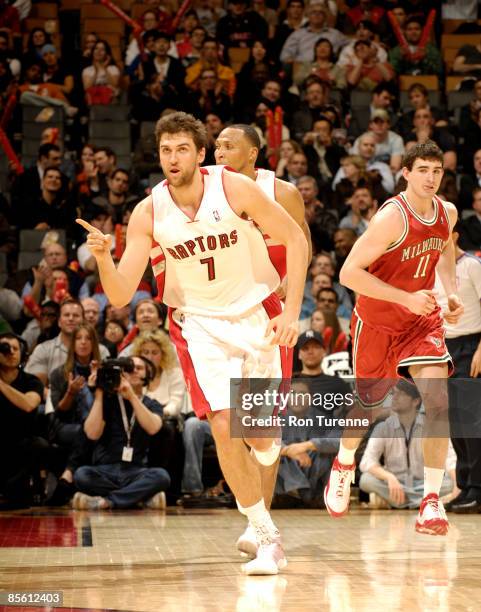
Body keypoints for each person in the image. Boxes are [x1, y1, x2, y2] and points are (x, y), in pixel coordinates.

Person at [76, 111, 308, 575]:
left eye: (183, 148)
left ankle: (266, 455)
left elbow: (296, 240)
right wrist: (104, 257)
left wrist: (292, 309)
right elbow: (121, 294)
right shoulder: (148, 211)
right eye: (165, 150)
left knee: (261, 440)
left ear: (201, 154)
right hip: (199, 323)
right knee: (223, 424)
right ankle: (266, 536)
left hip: (256, 314)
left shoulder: (235, 187)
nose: (173, 158)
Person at [324, 141, 464, 536]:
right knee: (367, 407)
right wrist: (404, 297)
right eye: (423, 170)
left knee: (438, 403)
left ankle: (431, 503)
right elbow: (348, 274)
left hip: (422, 322)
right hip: (378, 322)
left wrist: (449, 292)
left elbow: (446, 250)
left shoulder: (447, 212)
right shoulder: (392, 218)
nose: (431, 178)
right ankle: (344, 461)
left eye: (436, 171)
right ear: (405, 173)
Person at [214, 123, 310, 290]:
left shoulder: (282, 192)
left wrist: (292, 279)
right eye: (218, 147)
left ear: (252, 154)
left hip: (273, 293)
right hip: (226, 292)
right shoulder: (205, 192)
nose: (220, 153)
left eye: (228, 147)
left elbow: (303, 240)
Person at [72, 356, 170, 510]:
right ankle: (139, 500)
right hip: (105, 469)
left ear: (147, 374)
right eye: (129, 369)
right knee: (81, 475)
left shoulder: (152, 404)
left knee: (161, 476)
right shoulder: (108, 400)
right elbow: (92, 434)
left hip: (136, 471)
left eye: (139, 368)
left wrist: (131, 396)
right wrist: (99, 392)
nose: (134, 371)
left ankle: (106, 502)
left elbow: (153, 428)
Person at [435, 223, 481, 512]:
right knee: (455, 421)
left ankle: (478, 488)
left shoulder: (472, 266)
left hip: (471, 346)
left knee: (472, 420)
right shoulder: (434, 270)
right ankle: (464, 486)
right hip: (444, 348)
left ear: (454, 237)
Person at [359, 380, 456, 509]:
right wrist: (389, 478)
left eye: (401, 394)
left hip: (426, 484)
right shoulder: (383, 428)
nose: (395, 398)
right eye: (393, 393)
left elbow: (450, 460)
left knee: (450, 483)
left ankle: (401, 503)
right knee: (366, 480)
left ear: (415, 401)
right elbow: (366, 462)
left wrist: (456, 487)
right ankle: (425, 503)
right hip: (395, 484)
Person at [0, 333, 47, 508]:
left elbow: (29, 404)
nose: (10, 352)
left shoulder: (31, 381)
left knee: (38, 445)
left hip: (21, 443)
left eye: (15, 349)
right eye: (5, 348)